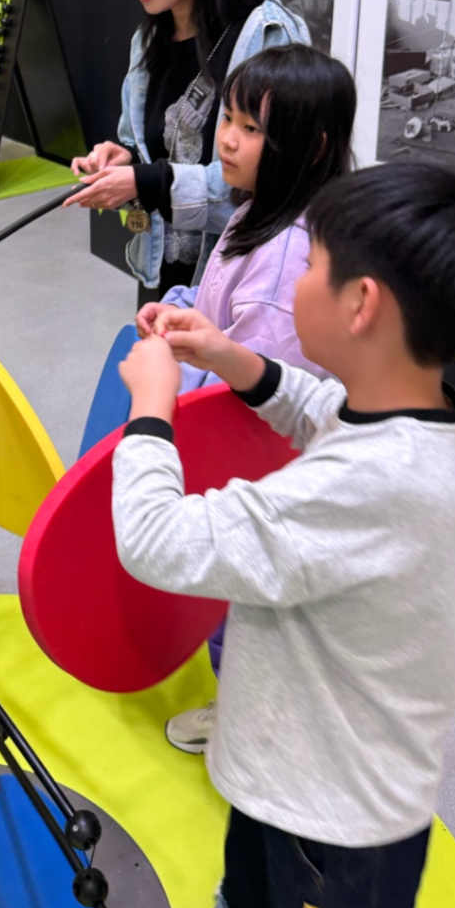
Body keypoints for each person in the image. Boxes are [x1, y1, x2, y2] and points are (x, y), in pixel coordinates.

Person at [112, 162, 455, 908]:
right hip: (287, 757)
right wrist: (229, 357)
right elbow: (322, 411)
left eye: (309, 265)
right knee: (252, 874)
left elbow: (157, 541)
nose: (293, 279)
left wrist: (150, 408)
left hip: (338, 819)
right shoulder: (407, 416)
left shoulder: (367, 487)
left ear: (360, 304)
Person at [136, 43, 356, 757]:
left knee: (243, 603)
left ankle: (248, 720)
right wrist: (183, 312)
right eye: (227, 119)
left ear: (311, 145)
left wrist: (165, 388)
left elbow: (253, 394)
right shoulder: (261, 210)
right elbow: (220, 312)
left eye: (251, 128)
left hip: (257, 471)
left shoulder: (285, 257)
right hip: (254, 459)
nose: (226, 139)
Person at [67, 0, 309, 301]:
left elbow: (272, 185)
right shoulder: (149, 39)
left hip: (237, 286)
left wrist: (147, 182)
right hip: (162, 272)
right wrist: (123, 160)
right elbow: (148, 149)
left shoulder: (267, 36)